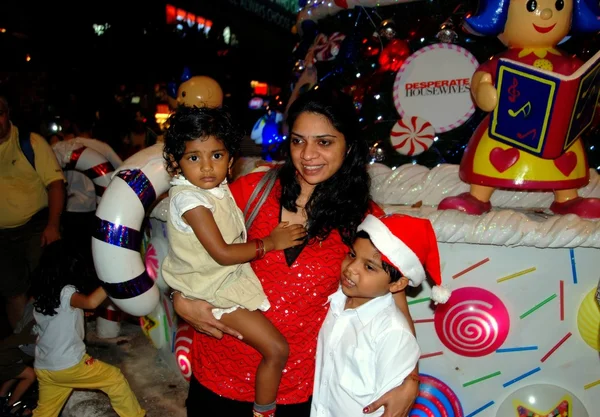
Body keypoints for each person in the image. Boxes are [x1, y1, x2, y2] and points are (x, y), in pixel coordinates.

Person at [172, 88, 421, 417]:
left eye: (325, 142)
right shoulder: (251, 191)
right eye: (298, 140)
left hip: (296, 390)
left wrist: (409, 378)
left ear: (348, 146)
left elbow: (394, 302)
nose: (308, 155)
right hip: (218, 374)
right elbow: (188, 249)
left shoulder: (363, 219)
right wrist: (179, 296)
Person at [162, 106, 306, 417]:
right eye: (193, 157)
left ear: (230, 160)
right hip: (213, 288)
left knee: (275, 349)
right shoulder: (191, 200)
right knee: (277, 348)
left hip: (221, 282)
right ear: (176, 163)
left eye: (216, 155)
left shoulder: (216, 190)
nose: (206, 167)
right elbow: (223, 253)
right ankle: (264, 412)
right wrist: (270, 243)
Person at [312, 214, 451, 417]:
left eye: (369, 267)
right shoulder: (335, 301)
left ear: (397, 284)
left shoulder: (392, 331)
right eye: (351, 255)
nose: (351, 269)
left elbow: (393, 404)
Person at [30, 241, 145, 417]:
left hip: (45, 366)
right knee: (114, 379)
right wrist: (114, 280)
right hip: (68, 364)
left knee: (45, 412)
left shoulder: (41, 294)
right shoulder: (66, 292)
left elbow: (58, 319)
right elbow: (91, 302)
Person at [0, 94, 65, 330]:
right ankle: (23, 344)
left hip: (35, 226)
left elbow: (55, 185)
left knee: (46, 285)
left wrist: (53, 225)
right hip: (2, 235)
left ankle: (54, 340)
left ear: (7, 115)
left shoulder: (30, 143)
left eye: (0, 113)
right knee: (12, 291)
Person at [52, 114, 123, 261]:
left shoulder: (63, 148)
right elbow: (122, 171)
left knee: (72, 254)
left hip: (70, 210)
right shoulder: (103, 148)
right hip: (96, 210)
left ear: (74, 127)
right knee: (93, 254)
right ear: (92, 127)